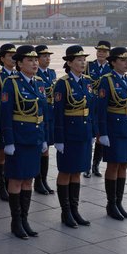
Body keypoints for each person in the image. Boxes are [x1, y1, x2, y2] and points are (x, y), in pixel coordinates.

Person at [0, 45, 48, 239]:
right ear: (19, 63)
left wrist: (44, 138)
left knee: (29, 179)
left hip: (34, 138)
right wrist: (8, 141)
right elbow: (5, 115)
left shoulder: (39, 82)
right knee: (16, 179)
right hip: (19, 139)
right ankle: (16, 221)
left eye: (36, 60)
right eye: (30, 60)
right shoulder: (11, 83)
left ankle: (25, 219)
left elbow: (42, 113)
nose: (35, 63)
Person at [54, 45, 97, 228]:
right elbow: (57, 113)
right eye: (78, 60)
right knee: (65, 172)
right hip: (69, 134)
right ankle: (66, 212)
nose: (82, 62)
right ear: (69, 63)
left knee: (77, 171)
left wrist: (93, 132)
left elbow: (91, 109)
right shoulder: (63, 83)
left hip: (84, 132)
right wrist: (58, 139)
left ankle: (75, 209)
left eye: (84, 59)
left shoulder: (87, 81)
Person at [97, 47, 127, 221]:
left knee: (124, 165)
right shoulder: (106, 80)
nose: (126, 63)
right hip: (113, 128)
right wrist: (102, 132)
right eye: (122, 60)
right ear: (113, 62)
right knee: (113, 165)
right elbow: (101, 109)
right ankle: (111, 203)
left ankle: (119, 202)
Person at [0, 43, 17, 201]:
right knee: (1, 155)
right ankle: (1, 187)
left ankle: (9, 183)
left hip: (14, 121)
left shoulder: (17, 75)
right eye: (9, 56)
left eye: (15, 56)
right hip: (1, 120)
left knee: (12, 155)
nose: (13, 59)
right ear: (2, 58)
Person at [85, 40, 112, 178]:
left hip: (104, 105)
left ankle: (96, 164)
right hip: (91, 103)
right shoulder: (88, 66)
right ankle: (86, 166)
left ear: (109, 53)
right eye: (99, 51)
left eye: (104, 51)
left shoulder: (112, 68)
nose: (101, 53)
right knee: (89, 134)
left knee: (101, 134)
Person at [34, 44, 56, 195]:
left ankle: (44, 179)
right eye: (44, 56)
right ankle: (38, 181)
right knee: (40, 149)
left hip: (50, 114)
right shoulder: (34, 75)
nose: (47, 59)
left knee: (47, 149)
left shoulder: (52, 73)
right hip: (39, 114)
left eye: (48, 56)